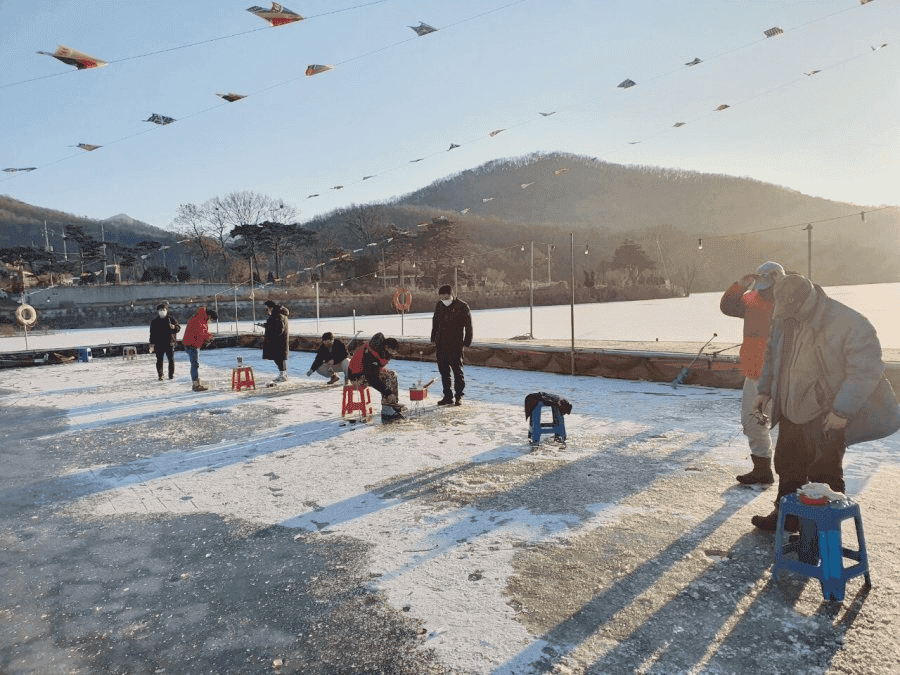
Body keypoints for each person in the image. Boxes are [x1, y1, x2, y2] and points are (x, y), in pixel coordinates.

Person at [750, 274, 900, 531]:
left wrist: (842, 410)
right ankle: (786, 516)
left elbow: (866, 370)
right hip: (790, 408)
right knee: (788, 465)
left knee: (825, 473)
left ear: (805, 302)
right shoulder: (784, 317)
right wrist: (764, 391)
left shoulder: (848, 322)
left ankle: (822, 533)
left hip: (827, 413)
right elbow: (772, 356)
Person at [720, 261, 785, 484]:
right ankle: (762, 469)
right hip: (754, 373)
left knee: (789, 426)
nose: (764, 291)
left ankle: (796, 476)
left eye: (768, 286)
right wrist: (739, 286)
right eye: (761, 286)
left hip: (781, 375)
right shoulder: (750, 299)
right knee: (751, 421)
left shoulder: (788, 302)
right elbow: (727, 307)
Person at [347, 332, 405, 421]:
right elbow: (371, 378)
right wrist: (387, 392)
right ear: (387, 347)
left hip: (366, 373)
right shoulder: (370, 352)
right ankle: (387, 410)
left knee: (392, 375)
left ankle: (392, 404)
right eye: (392, 351)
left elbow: (376, 369)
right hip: (356, 377)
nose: (393, 354)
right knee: (387, 379)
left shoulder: (382, 351)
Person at [430, 284, 473, 406]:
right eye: (441, 298)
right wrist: (433, 338)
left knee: (457, 371)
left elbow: (468, 326)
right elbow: (435, 322)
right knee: (444, 371)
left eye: (446, 297)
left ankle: (459, 396)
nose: (444, 300)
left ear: (452, 295)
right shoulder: (439, 305)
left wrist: (467, 341)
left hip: (456, 343)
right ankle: (447, 396)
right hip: (441, 343)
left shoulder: (462, 306)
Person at [182, 306, 218, 392]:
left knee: (195, 364)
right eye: (211, 319)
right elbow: (202, 332)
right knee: (195, 364)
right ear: (209, 316)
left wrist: (208, 336)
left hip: (191, 344)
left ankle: (196, 383)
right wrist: (210, 337)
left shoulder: (200, 317)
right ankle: (195, 384)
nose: (210, 321)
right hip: (191, 344)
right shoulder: (200, 320)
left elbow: (202, 332)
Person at [148, 302, 180, 381]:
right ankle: (160, 375)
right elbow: (152, 334)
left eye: (164, 310)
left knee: (171, 360)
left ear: (166, 310)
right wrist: (151, 343)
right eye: (160, 310)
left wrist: (174, 327)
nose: (162, 311)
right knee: (159, 360)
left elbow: (178, 328)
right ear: (158, 311)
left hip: (170, 342)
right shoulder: (155, 321)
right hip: (159, 344)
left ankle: (171, 375)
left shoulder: (171, 319)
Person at [261, 300, 290, 383]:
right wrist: (266, 325)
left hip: (278, 341)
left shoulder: (278, 315)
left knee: (279, 358)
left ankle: (283, 375)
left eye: (267, 308)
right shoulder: (276, 314)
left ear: (271, 308)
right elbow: (274, 325)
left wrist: (271, 333)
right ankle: (283, 374)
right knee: (278, 358)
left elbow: (279, 329)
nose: (267, 310)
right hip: (277, 340)